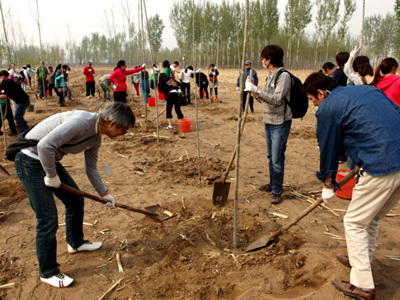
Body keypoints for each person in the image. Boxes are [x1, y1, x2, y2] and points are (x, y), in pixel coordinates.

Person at [13, 102, 135, 288]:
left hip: (48, 160)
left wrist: (105, 193)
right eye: (124, 130)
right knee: (47, 218)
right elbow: (45, 146)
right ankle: (48, 272)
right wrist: (51, 175)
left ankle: (75, 242)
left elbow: (91, 168)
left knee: (75, 200)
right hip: (30, 160)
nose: (123, 135)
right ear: (112, 124)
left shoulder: (96, 137)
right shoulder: (81, 122)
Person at [302, 72, 400, 300]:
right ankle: (361, 259)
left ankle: (363, 285)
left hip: (381, 166)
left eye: (312, 100)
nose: (314, 105)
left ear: (321, 93)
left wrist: (328, 182)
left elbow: (328, 146)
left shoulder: (327, 107)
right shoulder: (368, 90)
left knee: (354, 222)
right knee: (372, 218)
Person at [244, 45, 291, 204]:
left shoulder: (283, 76)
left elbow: (276, 100)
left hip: (280, 122)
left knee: (277, 158)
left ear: (269, 59)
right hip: (268, 120)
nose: (262, 61)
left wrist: (257, 89)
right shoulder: (270, 76)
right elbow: (263, 98)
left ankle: (277, 190)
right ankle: (272, 183)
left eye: (263, 58)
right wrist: (253, 92)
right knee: (271, 156)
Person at [0, 71, 18, 136]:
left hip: (4, 101)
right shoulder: (2, 81)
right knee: (4, 116)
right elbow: (3, 94)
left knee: (6, 116)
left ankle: (13, 131)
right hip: (3, 102)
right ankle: (13, 131)